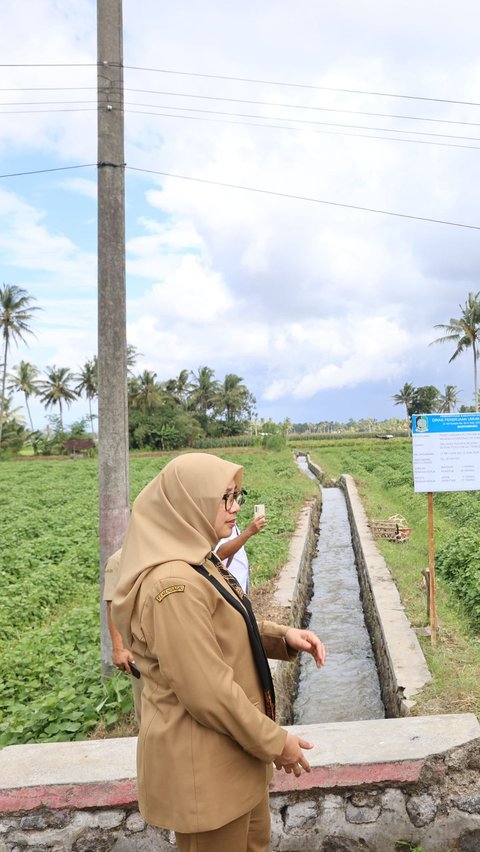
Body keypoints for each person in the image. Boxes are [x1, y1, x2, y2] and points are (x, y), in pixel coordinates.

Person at [112, 452, 325, 852]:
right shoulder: (172, 586)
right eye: (225, 498)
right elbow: (208, 691)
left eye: (237, 495)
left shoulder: (199, 561)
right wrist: (278, 743)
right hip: (205, 772)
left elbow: (225, 626)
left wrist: (282, 638)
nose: (236, 508)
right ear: (189, 504)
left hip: (235, 758)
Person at [103, 548, 143, 723]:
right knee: (148, 707)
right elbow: (113, 606)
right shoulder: (119, 559)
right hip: (140, 647)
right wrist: (119, 649)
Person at [215, 502, 265, 593]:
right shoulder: (219, 526)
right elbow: (219, 554)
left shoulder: (230, 522)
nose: (237, 507)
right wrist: (249, 532)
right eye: (228, 498)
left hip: (239, 587)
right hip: (228, 590)